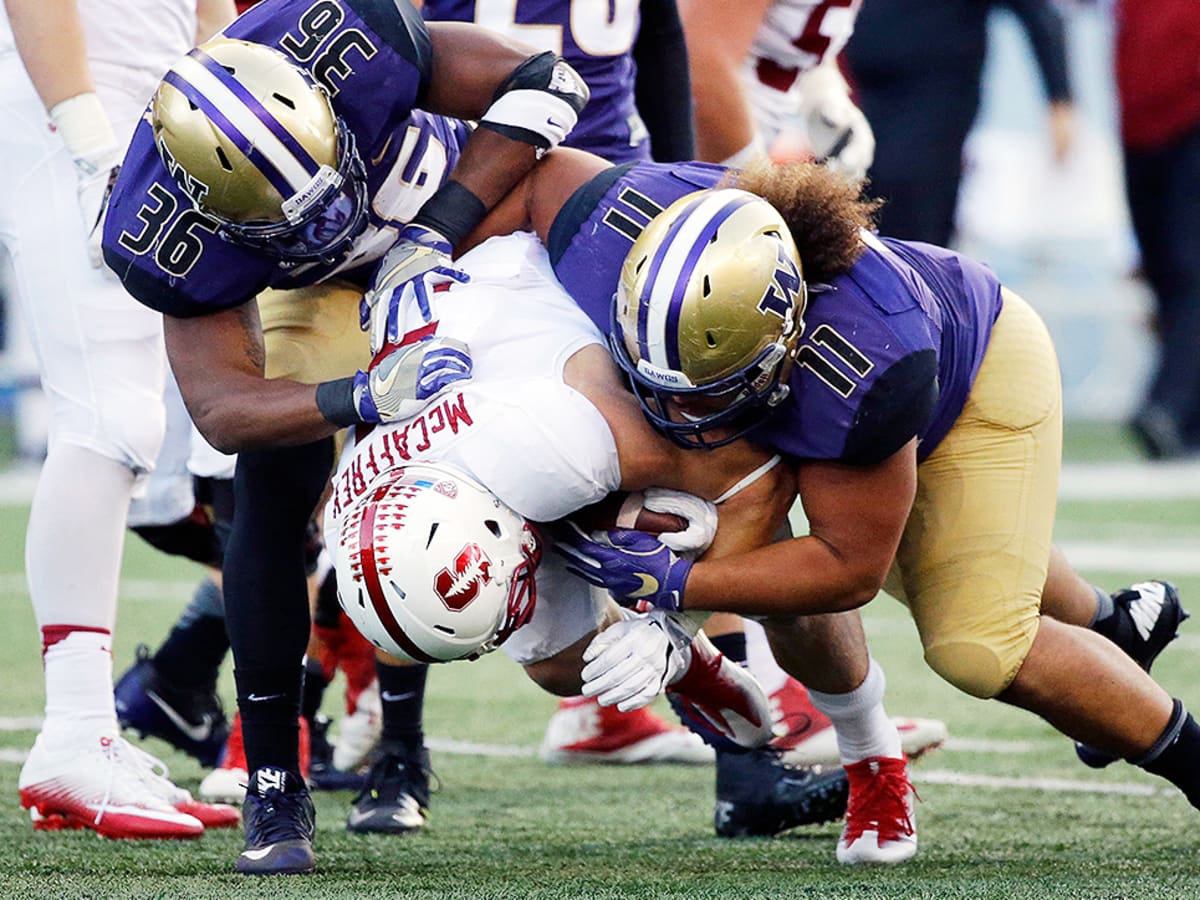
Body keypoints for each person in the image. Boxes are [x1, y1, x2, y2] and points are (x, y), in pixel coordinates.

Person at [547, 162, 1199, 835]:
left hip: (969, 384)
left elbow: (847, 568)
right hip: (841, 375)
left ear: (787, 335)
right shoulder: (607, 228)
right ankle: (1114, 625)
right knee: (937, 561)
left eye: (702, 384)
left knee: (976, 643)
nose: (680, 408)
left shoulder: (858, 371)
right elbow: (533, 175)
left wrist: (681, 588)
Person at [101, 0, 591, 873]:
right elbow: (224, 408)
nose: (327, 213)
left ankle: (402, 746)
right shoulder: (169, 233)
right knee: (271, 485)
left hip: (456, 229)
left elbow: (546, 82)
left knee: (477, 451)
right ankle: (274, 783)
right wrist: (363, 391)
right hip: (315, 293)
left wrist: (431, 233)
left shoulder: (353, 38)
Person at [2, 0, 240, 839]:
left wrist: (221, 106)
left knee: (128, 419)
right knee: (108, 418)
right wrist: (91, 146)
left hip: (152, 110)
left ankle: (86, 725)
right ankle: (71, 730)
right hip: (70, 107)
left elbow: (206, 12)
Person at [843, 0, 1075, 246]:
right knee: (858, 201)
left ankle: (924, 278)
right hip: (860, 93)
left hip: (936, 95)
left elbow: (1038, 13)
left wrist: (1059, 100)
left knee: (911, 199)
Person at [1114, 0, 1200, 459]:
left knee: (1191, 266)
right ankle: (1188, 417)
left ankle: (1168, 404)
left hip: (1192, 115)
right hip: (1140, 121)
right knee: (1164, 268)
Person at [679, 0, 874, 177]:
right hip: (690, 154)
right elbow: (701, 65)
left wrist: (821, 85)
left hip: (757, 137)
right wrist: (748, 180)